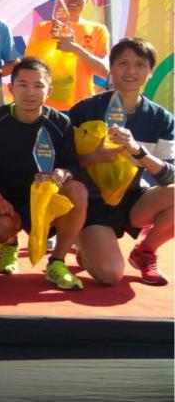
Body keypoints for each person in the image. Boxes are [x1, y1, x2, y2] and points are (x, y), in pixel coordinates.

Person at [0, 57, 88, 290]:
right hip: (6, 203)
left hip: (45, 203)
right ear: (10, 88)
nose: (30, 92)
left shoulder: (61, 122)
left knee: (77, 190)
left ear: (49, 91)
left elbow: (73, 166)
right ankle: (10, 244)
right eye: (23, 85)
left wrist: (62, 174)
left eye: (38, 86)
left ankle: (57, 262)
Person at [69, 38, 174, 286]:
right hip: (92, 203)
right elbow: (61, 163)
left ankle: (145, 251)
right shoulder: (84, 110)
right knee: (109, 275)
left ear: (150, 72)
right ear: (111, 68)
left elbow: (170, 174)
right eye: (123, 63)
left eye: (140, 65)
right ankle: (85, 240)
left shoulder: (161, 118)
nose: (130, 71)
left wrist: (138, 152)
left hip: (133, 200)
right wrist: (92, 157)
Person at [26, 0, 109, 111]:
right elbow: (30, 66)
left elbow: (104, 71)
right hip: (47, 104)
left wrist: (75, 49)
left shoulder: (98, 30)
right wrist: (51, 42)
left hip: (83, 104)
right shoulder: (42, 28)